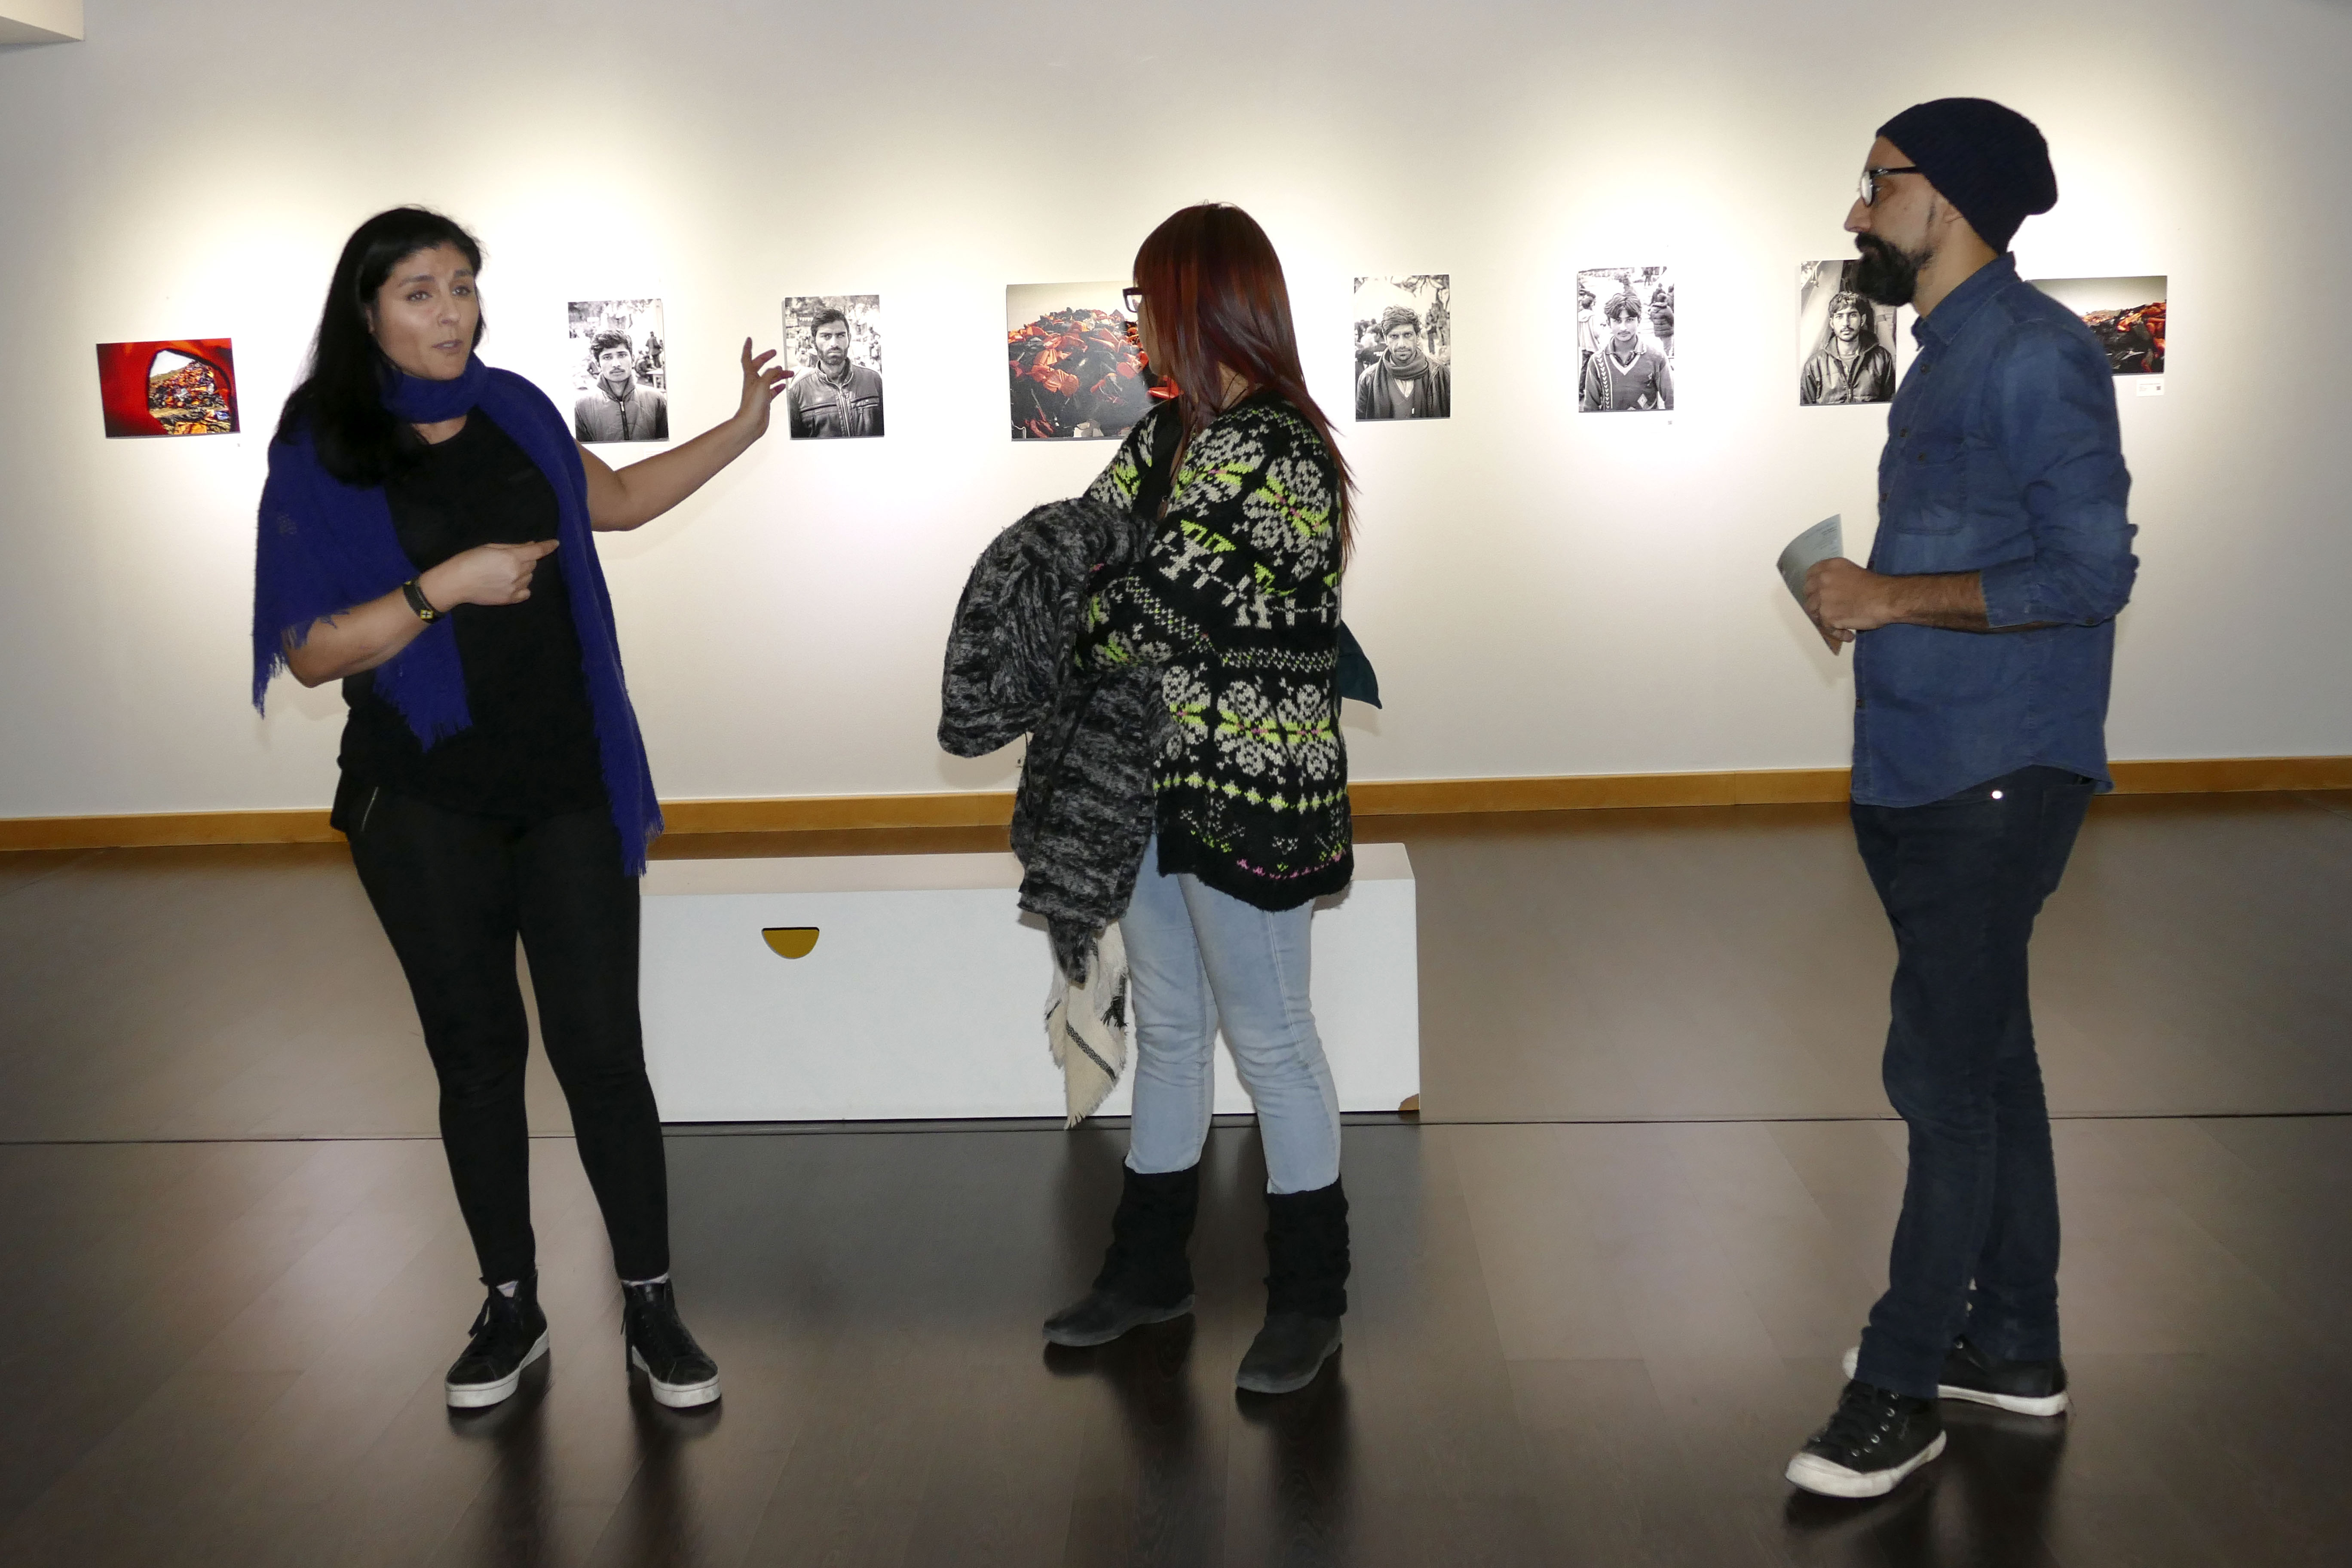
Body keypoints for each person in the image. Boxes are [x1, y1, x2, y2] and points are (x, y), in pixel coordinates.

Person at [250, 207, 786, 1412]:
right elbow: (311, 650)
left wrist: (742, 427)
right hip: (421, 801)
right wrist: (442, 587)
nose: (452, 313)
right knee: (478, 1060)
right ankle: (511, 1306)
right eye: (421, 292)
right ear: (366, 313)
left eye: (462, 286)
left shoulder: (517, 409)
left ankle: (650, 1305)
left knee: (604, 1055)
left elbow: (623, 499)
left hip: (566, 787)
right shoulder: (323, 443)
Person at [1786, 100, 2137, 1499]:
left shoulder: (2036, 357)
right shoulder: (1946, 356)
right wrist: (1874, 602)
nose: (1857, 210)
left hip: (1994, 775)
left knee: (1939, 1078)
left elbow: (2091, 573)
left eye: (1878, 184)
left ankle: (1899, 1383)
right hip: (1931, 764)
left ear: (1955, 197)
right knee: (1989, 1060)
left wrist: (1888, 596)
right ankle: (2015, 1344)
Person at [1044, 203, 1357, 1395]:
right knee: (1172, 1030)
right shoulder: (1173, 435)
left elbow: (1151, 606)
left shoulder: (1274, 447)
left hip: (1248, 784)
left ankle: (1309, 1297)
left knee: (1270, 1039)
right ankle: (1147, 1272)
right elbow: (1081, 555)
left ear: (1202, 302)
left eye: (1145, 300)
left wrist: (1081, 614)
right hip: (1155, 780)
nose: (1135, 325)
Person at [785, 306, 885, 438]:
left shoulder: (873, 380)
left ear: (849, 338)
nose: (834, 344)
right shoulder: (799, 392)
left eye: (840, 335)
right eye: (826, 336)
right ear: (813, 342)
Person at [1578, 285, 1673, 411]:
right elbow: (1590, 408)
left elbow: (1673, 401)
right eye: (1618, 320)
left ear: (1639, 321)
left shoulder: (1657, 357)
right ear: (1609, 323)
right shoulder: (1597, 361)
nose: (1623, 328)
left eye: (1630, 320)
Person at [1801, 287, 1897, 405]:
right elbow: (1806, 410)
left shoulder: (1882, 358)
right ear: (1832, 323)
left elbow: (1891, 405)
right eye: (1839, 316)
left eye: (1852, 315)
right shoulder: (1815, 365)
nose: (1846, 323)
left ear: (1862, 320)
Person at [1354, 303, 1450, 419]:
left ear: (1418, 336)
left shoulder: (1439, 373)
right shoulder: (1368, 380)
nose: (1402, 344)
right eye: (1394, 336)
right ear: (1386, 339)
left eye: (1408, 335)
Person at [573, 329, 669, 442]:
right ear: (598, 364)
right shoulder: (583, 406)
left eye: (622, 355)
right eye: (607, 357)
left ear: (633, 359)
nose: (616, 364)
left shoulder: (656, 399)